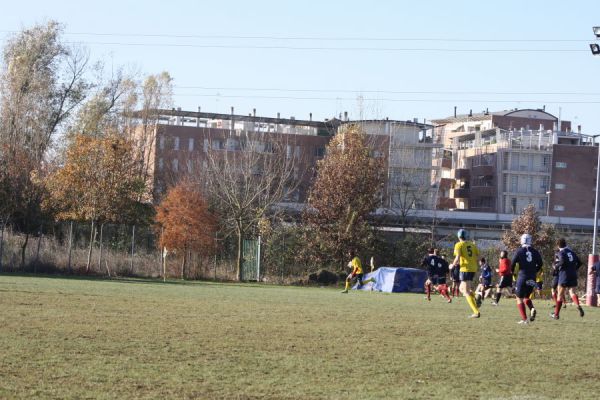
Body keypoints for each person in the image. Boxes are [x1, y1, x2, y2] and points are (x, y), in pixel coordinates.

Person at [511, 233, 543, 324]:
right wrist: (535, 270)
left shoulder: (519, 251)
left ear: (521, 240)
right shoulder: (535, 251)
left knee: (519, 297)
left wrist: (512, 272)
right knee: (526, 297)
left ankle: (524, 319)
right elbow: (540, 264)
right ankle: (532, 308)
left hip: (522, 276)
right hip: (532, 276)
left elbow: (512, 263)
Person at [550, 238, 584, 319]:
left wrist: (555, 266)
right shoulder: (572, 252)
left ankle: (556, 315)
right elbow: (579, 263)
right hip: (573, 274)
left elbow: (562, 261)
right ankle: (578, 306)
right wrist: (574, 269)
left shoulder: (561, 252)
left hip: (564, 275)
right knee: (572, 292)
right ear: (565, 244)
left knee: (559, 295)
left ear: (558, 245)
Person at [452, 229, 481, 318]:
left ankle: (476, 312)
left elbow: (457, 257)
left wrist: (452, 265)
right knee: (461, 288)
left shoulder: (458, 244)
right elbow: (479, 257)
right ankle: (476, 296)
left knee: (466, 291)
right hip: (473, 268)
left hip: (465, 269)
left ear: (458, 236)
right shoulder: (472, 244)